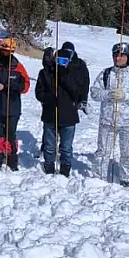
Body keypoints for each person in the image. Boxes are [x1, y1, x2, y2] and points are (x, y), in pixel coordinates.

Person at [90, 42, 129, 185]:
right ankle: (99, 178)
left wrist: (126, 96)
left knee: (127, 153)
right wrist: (108, 94)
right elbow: (94, 93)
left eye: (122, 55)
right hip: (107, 121)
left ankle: (126, 178)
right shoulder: (105, 73)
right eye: (116, 54)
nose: (118, 58)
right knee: (103, 151)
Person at [35, 42, 90, 176]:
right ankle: (49, 167)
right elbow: (39, 92)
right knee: (49, 145)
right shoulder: (45, 73)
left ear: (69, 61)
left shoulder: (74, 72)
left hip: (68, 115)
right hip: (50, 114)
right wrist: (48, 98)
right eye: (59, 60)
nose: (61, 63)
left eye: (64, 61)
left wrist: (65, 77)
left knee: (66, 146)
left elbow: (78, 92)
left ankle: (65, 168)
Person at [0, 38, 31, 170]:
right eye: (3, 51)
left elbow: (26, 86)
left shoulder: (18, 67)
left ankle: (12, 160)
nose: (6, 54)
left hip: (12, 108)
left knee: (11, 134)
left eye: (9, 52)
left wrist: (13, 85)